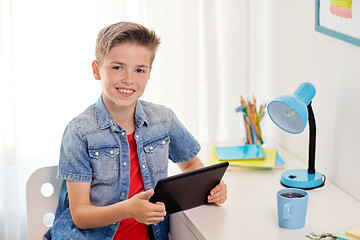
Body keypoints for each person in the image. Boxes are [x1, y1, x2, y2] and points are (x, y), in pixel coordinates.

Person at [45, 21, 227, 240]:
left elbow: (191, 164)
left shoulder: (163, 119)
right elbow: (80, 215)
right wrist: (128, 209)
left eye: (139, 70)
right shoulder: (79, 132)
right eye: (117, 67)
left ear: (149, 74)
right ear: (96, 70)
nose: (129, 79)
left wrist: (211, 189)